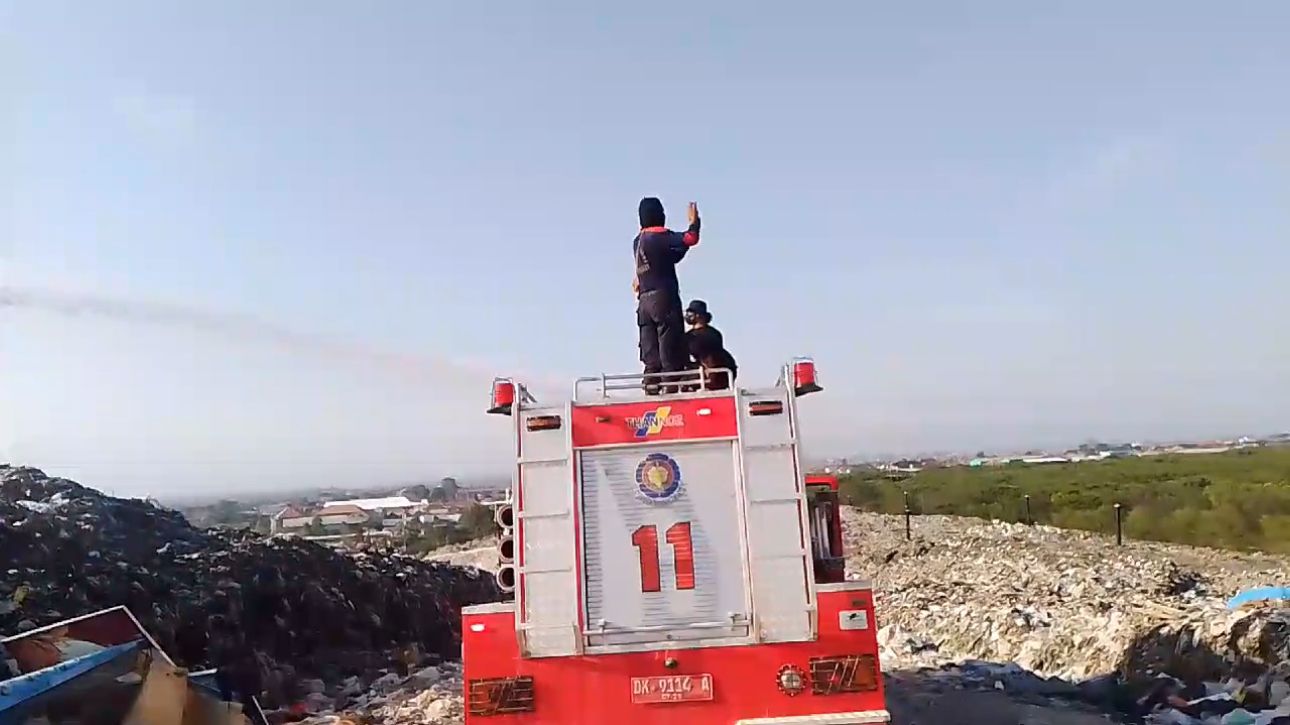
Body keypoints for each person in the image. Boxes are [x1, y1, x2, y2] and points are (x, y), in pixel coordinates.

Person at [633, 197, 701, 394]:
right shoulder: (659, 236)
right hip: (663, 298)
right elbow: (690, 238)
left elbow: (670, 256)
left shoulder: (638, 242)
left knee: (649, 345)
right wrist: (694, 222)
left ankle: (651, 383)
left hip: (644, 302)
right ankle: (670, 384)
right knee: (669, 342)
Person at [684, 299, 737, 390]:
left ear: (698, 315)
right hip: (720, 375)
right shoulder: (715, 333)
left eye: (690, 313)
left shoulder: (702, 336)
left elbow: (710, 358)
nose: (687, 315)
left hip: (711, 375)